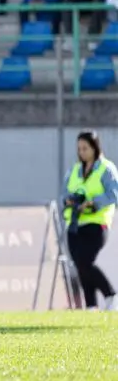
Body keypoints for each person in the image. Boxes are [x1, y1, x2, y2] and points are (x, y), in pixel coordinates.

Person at [61, 131, 117, 311]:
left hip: (96, 223)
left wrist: (92, 203)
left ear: (94, 147)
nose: (81, 152)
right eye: (79, 149)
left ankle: (110, 294)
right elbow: (64, 193)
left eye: (85, 148)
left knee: (85, 261)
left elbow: (113, 194)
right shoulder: (74, 170)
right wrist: (69, 200)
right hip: (75, 224)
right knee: (79, 265)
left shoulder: (106, 168)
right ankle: (91, 305)